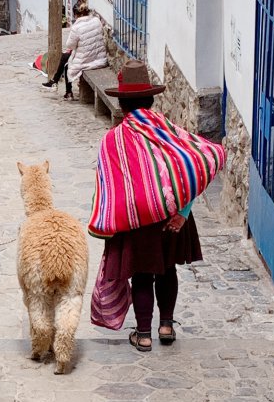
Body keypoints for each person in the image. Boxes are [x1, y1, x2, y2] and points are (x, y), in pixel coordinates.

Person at [88, 60, 225, 352]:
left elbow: (110, 186)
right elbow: (191, 165)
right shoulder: (167, 129)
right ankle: (166, 326)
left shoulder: (113, 140)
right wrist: (182, 213)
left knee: (142, 274)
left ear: (122, 104)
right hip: (173, 219)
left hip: (138, 223)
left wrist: (115, 220)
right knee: (167, 271)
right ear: (150, 99)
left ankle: (143, 333)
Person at [42, 1, 108, 99]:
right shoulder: (96, 20)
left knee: (66, 61)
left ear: (76, 15)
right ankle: (56, 83)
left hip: (87, 59)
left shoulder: (76, 27)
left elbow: (70, 45)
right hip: (99, 57)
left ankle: (62, 87)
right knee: (66, 59)